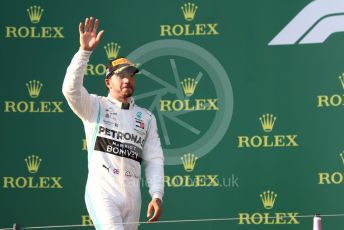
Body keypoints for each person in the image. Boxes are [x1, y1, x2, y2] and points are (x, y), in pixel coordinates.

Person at [62, 17, 164, 230]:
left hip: (133, 197)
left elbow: (154, 159)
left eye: (131, 75)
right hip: (103, 193)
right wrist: (84, 52)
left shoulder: (146, 117)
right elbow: (70, 90)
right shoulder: (94, 106)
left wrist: (157, 194)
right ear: (108, 82)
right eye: (121, 75)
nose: (127, 79)